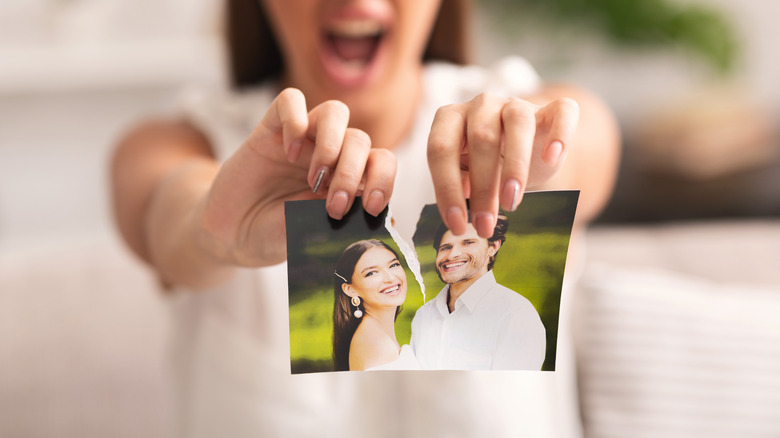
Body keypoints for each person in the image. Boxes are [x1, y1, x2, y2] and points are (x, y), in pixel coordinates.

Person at [110, 0, 620, 435]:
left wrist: (531, 149)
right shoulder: (184, 142)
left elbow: (587, 142)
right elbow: (169, 212)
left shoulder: (517, 110)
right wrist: (212, 234)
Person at [411, 215, 546, 370]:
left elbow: (514, 385)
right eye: (445, 247)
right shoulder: (423, 315)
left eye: (468, 243)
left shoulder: (516, 315)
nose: (452, 255)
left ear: (493, 246)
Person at [332, 239, 420, 371]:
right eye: (371, 273)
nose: (390, 278)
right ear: (350, 289)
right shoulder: (377, 344)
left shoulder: (372, 335)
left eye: (393, 265)